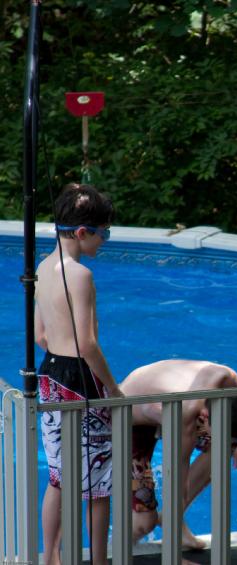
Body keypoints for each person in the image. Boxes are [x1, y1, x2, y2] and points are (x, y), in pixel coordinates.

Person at [34, 184, 122, 565]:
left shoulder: (42, 267)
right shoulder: (81, 275)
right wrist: (113, 389)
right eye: (103, 233)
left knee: (59, 476)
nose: (104, 241)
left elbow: (40, 335)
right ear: (83, 232)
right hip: (81, 381)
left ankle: (51, 557)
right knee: (98, 487)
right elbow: (87, 344)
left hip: (50, 376)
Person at [119, 359, 237, 554]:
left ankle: (170, 520)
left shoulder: (229, 380)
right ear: (206, 416)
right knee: (144, 523)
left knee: (225, 447)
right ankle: (118, 550)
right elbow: (177, 478)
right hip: (130, 418)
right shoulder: (186, 414)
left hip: (163, 403)